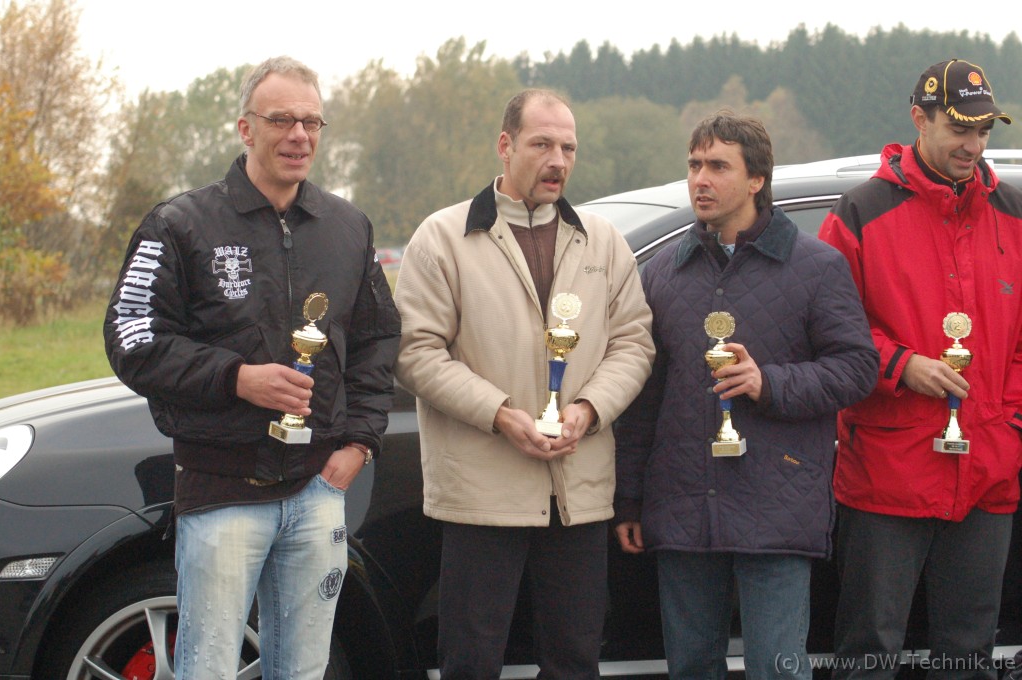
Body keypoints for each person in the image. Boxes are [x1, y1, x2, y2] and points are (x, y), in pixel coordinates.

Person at [104, 56, 400, 679]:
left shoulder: (348, 227)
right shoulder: (179, 223)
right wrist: (236, 378)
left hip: (318, 489)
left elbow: (378, 340)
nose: (299, 136)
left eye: (312, 122)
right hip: (221, 491)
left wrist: (359, 443)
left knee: (303, 670)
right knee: (208, 668)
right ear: (246, 128)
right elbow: (132, 339)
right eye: (281, 120)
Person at [393, 88, 655, 678]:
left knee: (575, 661)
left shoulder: (604, 240)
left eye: (568, 148)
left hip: (578, 492)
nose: (558, 161)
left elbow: (634, 343)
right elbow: (415, 352)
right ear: (505, 146)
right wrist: (501, 414)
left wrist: (589, 408)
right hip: (482, 495)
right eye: (542, 145)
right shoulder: (442, 237)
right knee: (471, 662)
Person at [614, 111, 878, 680]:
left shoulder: (817, 267)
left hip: (777, 504)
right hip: (682, 505)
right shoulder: (663, 272)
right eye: (694, 165)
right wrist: (630, 499)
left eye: (718, 166)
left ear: (757, 179)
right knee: (691, 667)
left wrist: (769, 383)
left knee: (775, 669)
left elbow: (858, 369)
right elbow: (642, 397)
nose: (700, 180)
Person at [818, 58, 1022, 678]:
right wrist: (901, 366)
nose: (973, 145)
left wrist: (1010, 424)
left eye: (982, 131)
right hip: (888, 468)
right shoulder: (860, 211)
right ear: (919, 118)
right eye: (959, 129)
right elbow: (827, 325)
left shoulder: (1014, 213)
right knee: (869, 652)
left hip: (987, 469)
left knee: (968, 655)